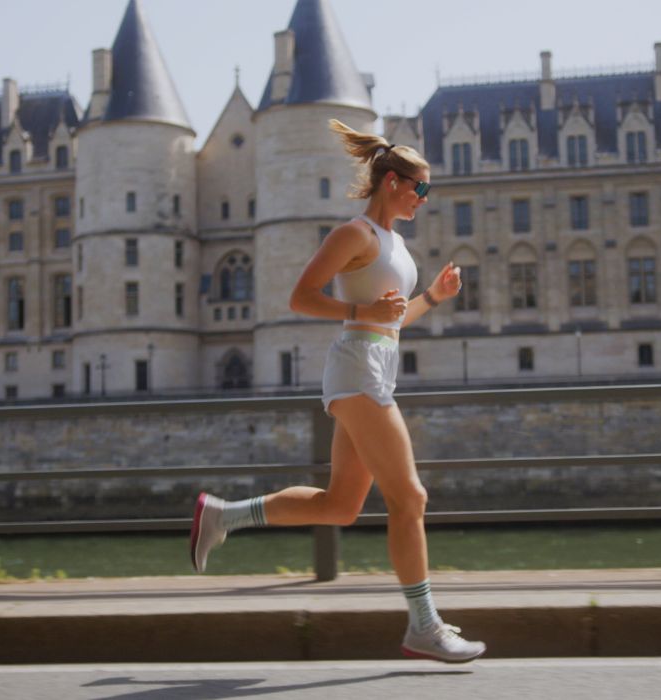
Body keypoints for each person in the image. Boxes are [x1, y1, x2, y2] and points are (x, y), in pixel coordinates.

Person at [189, 119, 485, 663]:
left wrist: (434, 298)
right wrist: (361, 310)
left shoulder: (394, 242)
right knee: (410, 498)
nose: (424, 198)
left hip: (374, 363)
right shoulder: (354, 234)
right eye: (420, 187)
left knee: (341, 506)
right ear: (391, 181)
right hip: (358, 371)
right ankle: (424, 624)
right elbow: (301, 296)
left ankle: (223, 516)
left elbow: (389, 320)